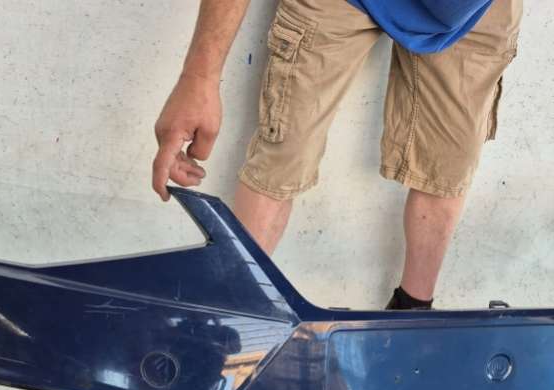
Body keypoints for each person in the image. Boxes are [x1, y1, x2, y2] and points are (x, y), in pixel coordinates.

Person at [151, 0, 522, 310]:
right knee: (285, 153)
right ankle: (234, 310)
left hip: (471, 9)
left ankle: (413, 310)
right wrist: (198, 78)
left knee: (446, 165)